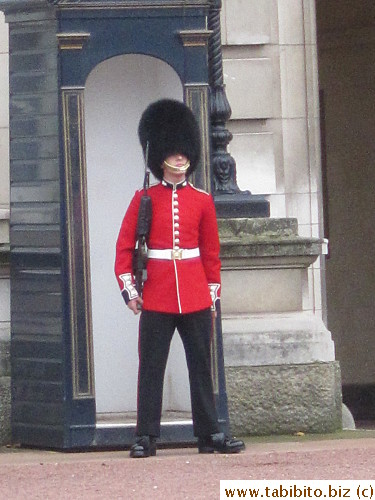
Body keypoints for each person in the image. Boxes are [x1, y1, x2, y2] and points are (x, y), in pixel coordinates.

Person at [115, 99, 245, 458]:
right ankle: (146, 435)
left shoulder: (202, 200)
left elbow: (211, 254)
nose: (179, 158)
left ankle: (209, 433)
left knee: (201, 366)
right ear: (160, 157)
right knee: (152, 366)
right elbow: (124, 250)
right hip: (156, 294)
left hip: (194, 294)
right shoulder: (144, 199)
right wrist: (130, 291)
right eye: (171, 152)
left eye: (183, 152)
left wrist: (212, 296)